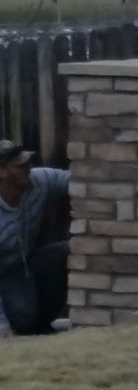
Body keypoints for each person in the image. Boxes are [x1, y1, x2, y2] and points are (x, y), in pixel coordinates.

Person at [0, 142, 70, 337]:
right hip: (4, 274)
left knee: (68, 252)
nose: (28, 168)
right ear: (2, 172)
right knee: (23, 317)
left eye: (28, 162)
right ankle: (26, 327)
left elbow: (76, 181)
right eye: (20, 165)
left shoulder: (38, 180)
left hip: (25, 263)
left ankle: (39, 326)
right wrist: (1, 326)